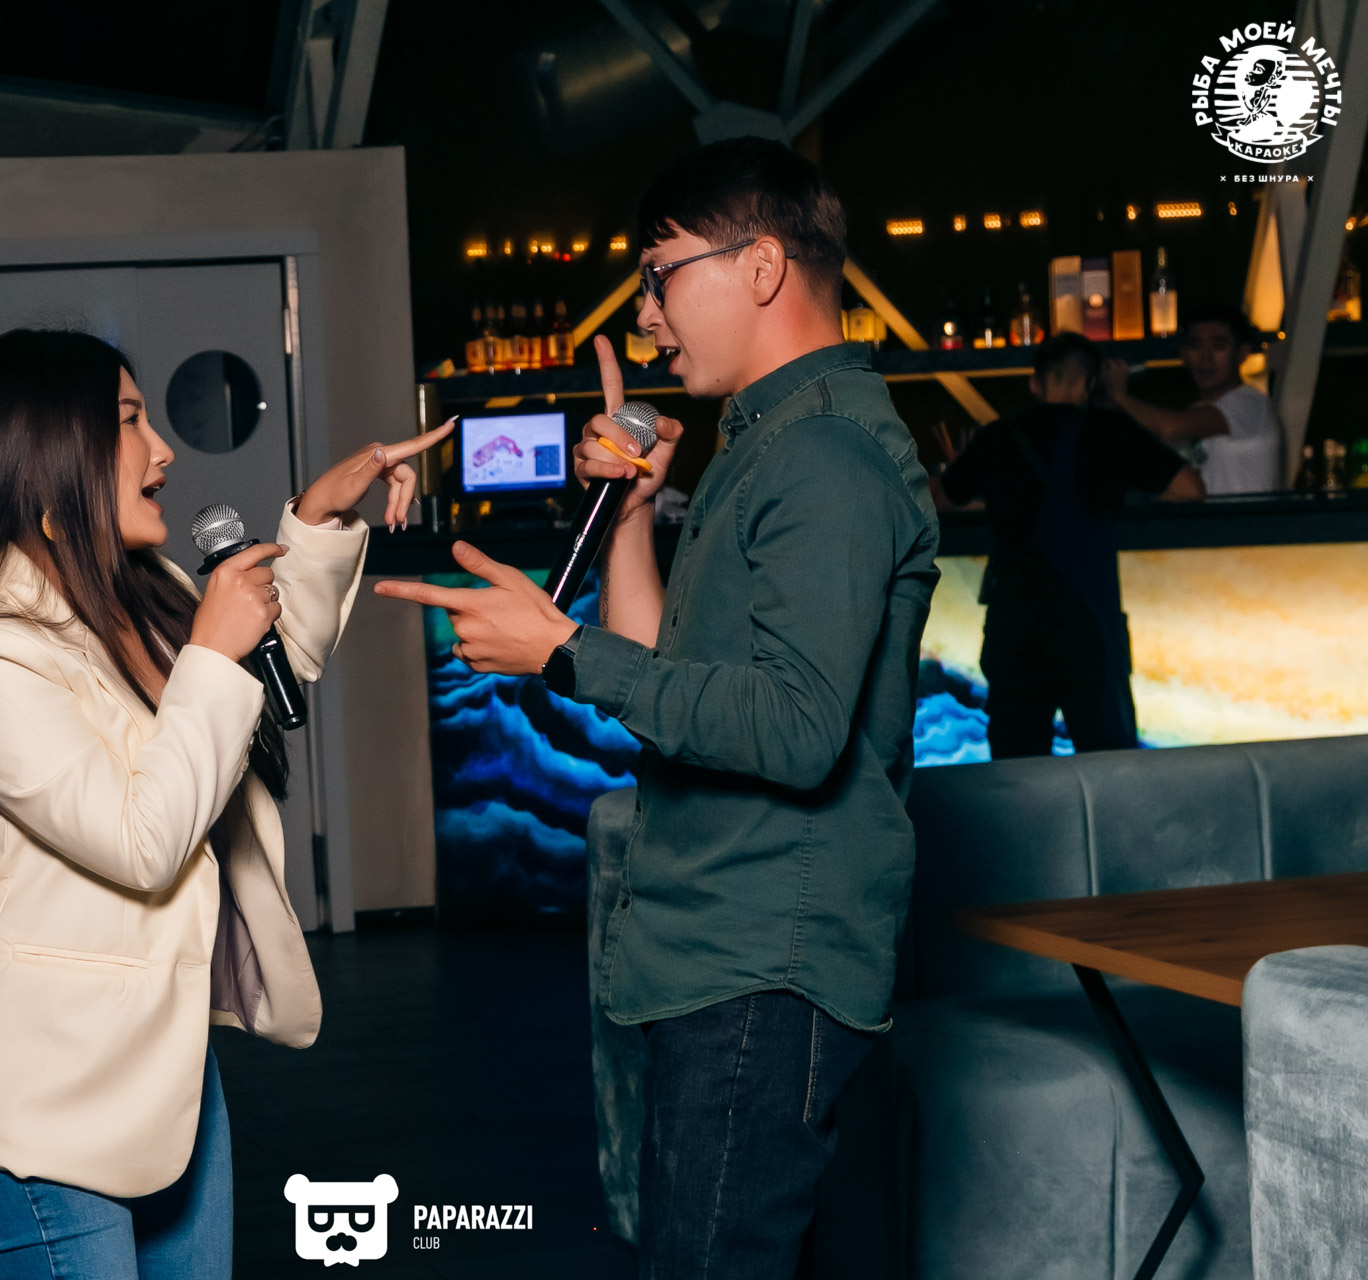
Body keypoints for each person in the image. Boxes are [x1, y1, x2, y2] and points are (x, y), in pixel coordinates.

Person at [376, 138, 939, 1277]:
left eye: (660, 275)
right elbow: (662, 675)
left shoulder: (823, 457)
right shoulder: (765, 441)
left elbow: (796, 729)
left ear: (762, 267)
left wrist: (561, 648)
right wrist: (632, 512)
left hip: (764, 962)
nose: (645, 316)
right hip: (725, 950)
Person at [0, 328, 449, 1278]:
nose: (163, 450)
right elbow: (144, 839)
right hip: (47, 1099)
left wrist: (315, 518)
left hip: (167, 1072)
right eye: (130, 421)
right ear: (49, 454)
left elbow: (255, 684)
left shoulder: (138, 595)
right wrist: (213, 653)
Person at [935, 333, 1202, 758]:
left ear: (1035, 383)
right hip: (1088, 625)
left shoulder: (996, 438)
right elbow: (1190, 488)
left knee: (1018, 768)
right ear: (1089, 384)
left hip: (1015, 627)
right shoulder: (1111, 432)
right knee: (1108, 764)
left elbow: (942, 497)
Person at [1100, 301, 1281, 494]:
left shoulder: (1250, 404)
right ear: (1184, 354)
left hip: (1245, 514)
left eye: (1218, 346)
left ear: (1242, 353)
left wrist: (1119, 395)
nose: (1205, 357)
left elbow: (1170, 429)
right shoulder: (1200, 411)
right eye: (1195, 346)